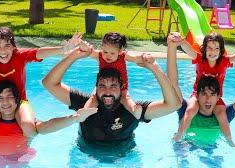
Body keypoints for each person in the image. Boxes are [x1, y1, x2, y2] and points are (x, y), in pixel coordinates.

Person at [42, 44, 181, 145]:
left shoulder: (133, 110)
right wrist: (73, 57)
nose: (107, 91)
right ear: (96, 88)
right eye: (102, 86)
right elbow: (49, 83)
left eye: (113, 86)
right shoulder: (84, 106)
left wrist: (156, 69)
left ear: (122, 88)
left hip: (124, 160)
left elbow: (173, 105)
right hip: (85, 157)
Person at [167, 32, 235, 146]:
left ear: (221, 50)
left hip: (217, 99)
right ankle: (179, 134)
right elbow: (190, 51)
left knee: (221, 114)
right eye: (209, 48)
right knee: (191, 109)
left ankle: (229, 139)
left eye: (216, 48)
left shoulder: (223, 61)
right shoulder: (200, 59)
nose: (212, 52)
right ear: (204, 49)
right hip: (196, 95)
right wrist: (181, 42)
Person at [81, 32, 148, 119]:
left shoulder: (123, 56)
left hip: (121, 85)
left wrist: (145, 57)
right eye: (105, 52)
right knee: (94, 97)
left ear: (120, 51)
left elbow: (136, 59)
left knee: (125, 97)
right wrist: (83, 46)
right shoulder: (100, 55)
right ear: (101, 48)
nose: (108, 56)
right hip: (102, 84)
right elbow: (90, 52)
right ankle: (84, 112)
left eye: (112, 53)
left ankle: (134, 110)